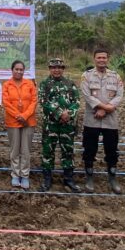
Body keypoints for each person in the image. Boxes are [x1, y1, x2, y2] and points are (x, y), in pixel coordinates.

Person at [80, 49, 124, 194]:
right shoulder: (86, 76)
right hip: (91, 119)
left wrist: (106, 109)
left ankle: (112, 178)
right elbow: (87, 95)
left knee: (111, 149)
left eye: (104, 58)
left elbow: (119, 95)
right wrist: (102, 107)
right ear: (94, 59)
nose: (101, 60)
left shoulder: (116, 76)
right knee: (89, 149)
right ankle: (89, 177)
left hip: (110, 120)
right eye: (99, 57)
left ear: (108, 59)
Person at [39, 58, 81, 193]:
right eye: (53, 67)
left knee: (68, 151)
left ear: (63, 69)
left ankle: (68, 179)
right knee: (48, 152)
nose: (56, 70)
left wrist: (68, 114)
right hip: (50, 125)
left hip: (67, 125)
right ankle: (47, 179)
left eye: (59, 67)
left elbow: (77, 101)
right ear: (49, 69)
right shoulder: (44, 84)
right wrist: (59, 113)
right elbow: (43, 101)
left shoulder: (70, 83)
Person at [2, 60, 37, 190]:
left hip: (29, 122)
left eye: (21, 69)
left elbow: (34, 101)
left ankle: (25, 175)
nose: (19, 71)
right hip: (13, 121)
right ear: (12, 70)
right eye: (16, 69)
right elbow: (6, 102)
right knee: (15, 149)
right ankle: (16, 174)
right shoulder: (7, 85)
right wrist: (18, 116)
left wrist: (25, 116)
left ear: (24, 71)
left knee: (26, 150)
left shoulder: (29, 84)